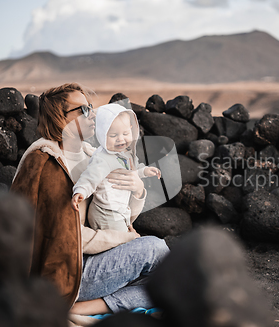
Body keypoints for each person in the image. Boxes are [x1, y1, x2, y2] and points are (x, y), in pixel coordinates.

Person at [11, 83, 169, 318]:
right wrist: (122, 239)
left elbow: (117, 214)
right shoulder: (46, 163)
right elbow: (60, 236)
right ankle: (70, 305)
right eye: (83, 110)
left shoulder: (93, 157)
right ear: (59, 118)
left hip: (95, 259)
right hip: (66, 272)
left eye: (91, 107)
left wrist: (137, 191)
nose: (92, 114)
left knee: (166, 282)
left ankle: (85, 308)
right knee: (156, 249)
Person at [71, 104, 161, 232]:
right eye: (113, 136)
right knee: (122, 240)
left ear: (131, 129)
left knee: (125, 236)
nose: (121, 139)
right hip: (104, 212)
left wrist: (144, 171)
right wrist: (80, 191)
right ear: (102, 135)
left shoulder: (125, 153)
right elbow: (90, 177)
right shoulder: (103, 159)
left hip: (118, 211)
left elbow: (132, 170)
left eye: (125, 133)